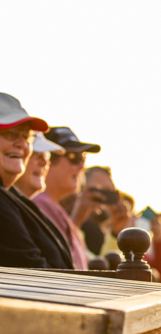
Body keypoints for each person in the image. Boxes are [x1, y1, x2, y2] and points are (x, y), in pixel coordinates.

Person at [0, 92, 73, 268]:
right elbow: (33, 270)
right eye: (11, 133)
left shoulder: (11, 195)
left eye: (26, 136)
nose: (21, 144)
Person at [33, 126, 102, 268]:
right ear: (48, 158)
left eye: (83, 158)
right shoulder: (40, 206)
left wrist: (77, 219)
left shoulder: (53, 209)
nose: (81, 166)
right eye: (73, 157)